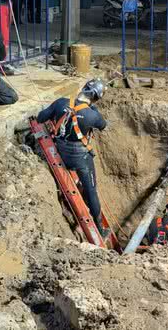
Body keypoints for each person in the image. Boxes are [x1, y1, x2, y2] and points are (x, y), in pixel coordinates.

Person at [37, 79, 110, 239]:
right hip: (80, 159)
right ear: (96, 98)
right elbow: (103, 125)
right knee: (91, 190)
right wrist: (92, 110)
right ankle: (100, 229)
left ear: (84, 88)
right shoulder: (93, 115)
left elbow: (40, 117)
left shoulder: (61, 102)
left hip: (61, 153)